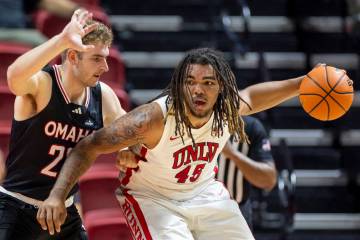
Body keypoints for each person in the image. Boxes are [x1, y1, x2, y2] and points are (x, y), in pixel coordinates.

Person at [37, 47, 327, 239]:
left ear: (221, 88)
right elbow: (88, 146)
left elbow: (253, 97)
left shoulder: (226, 109)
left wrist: (304, 82)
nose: (198, 90)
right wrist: (57, 195)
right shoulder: (153, 119)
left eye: (208, 83)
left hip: (205, 193)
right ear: (179, 84)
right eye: (190, 81)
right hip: (153, 199)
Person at [0, 9, 125, 239]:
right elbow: (13, 77)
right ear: (73, 57)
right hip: (16, 204)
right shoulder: (44, 84)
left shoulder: (103, 96)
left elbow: (132, 132)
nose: (105, 67)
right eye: (97, 58)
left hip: (61, 208)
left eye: (106, 58)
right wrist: (62, 40)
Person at [217, 115, 277, 229]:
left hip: (236, 211)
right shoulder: (187, 123)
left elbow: (269, 180)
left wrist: (232, 154)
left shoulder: (251, 127)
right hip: (194, 211)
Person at [0, 0, 79, 46]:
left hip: (19, 32)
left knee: (51, 46)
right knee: (48, 47)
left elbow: (47, 2)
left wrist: (78, 11)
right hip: (12, 32)